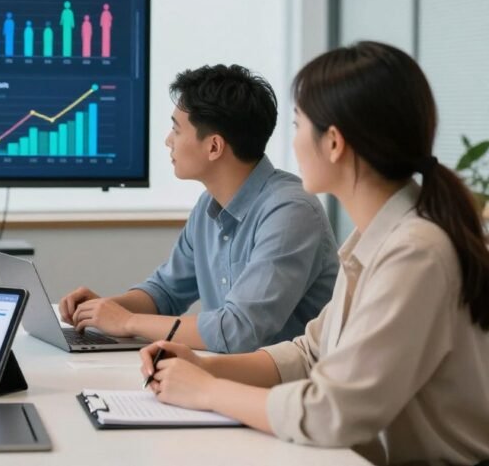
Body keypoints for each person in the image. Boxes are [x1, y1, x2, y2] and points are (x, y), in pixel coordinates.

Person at [140, 42, 489, 465]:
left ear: (334, 143)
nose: (292, 142)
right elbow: (311, 352)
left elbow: (333, 413)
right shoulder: (376, 239)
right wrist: (205, 367)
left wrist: (209, 392)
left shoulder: (416, 253)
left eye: (298, 124)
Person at [60, 65, 339, 353]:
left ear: (214, 147)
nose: (168, 140)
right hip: (227, 373)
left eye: (176, 130)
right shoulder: (210, 204)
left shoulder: (291, 212)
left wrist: (128, 322)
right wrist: (104, 309)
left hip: (289, 380)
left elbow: (239, 330)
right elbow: (165, 292)